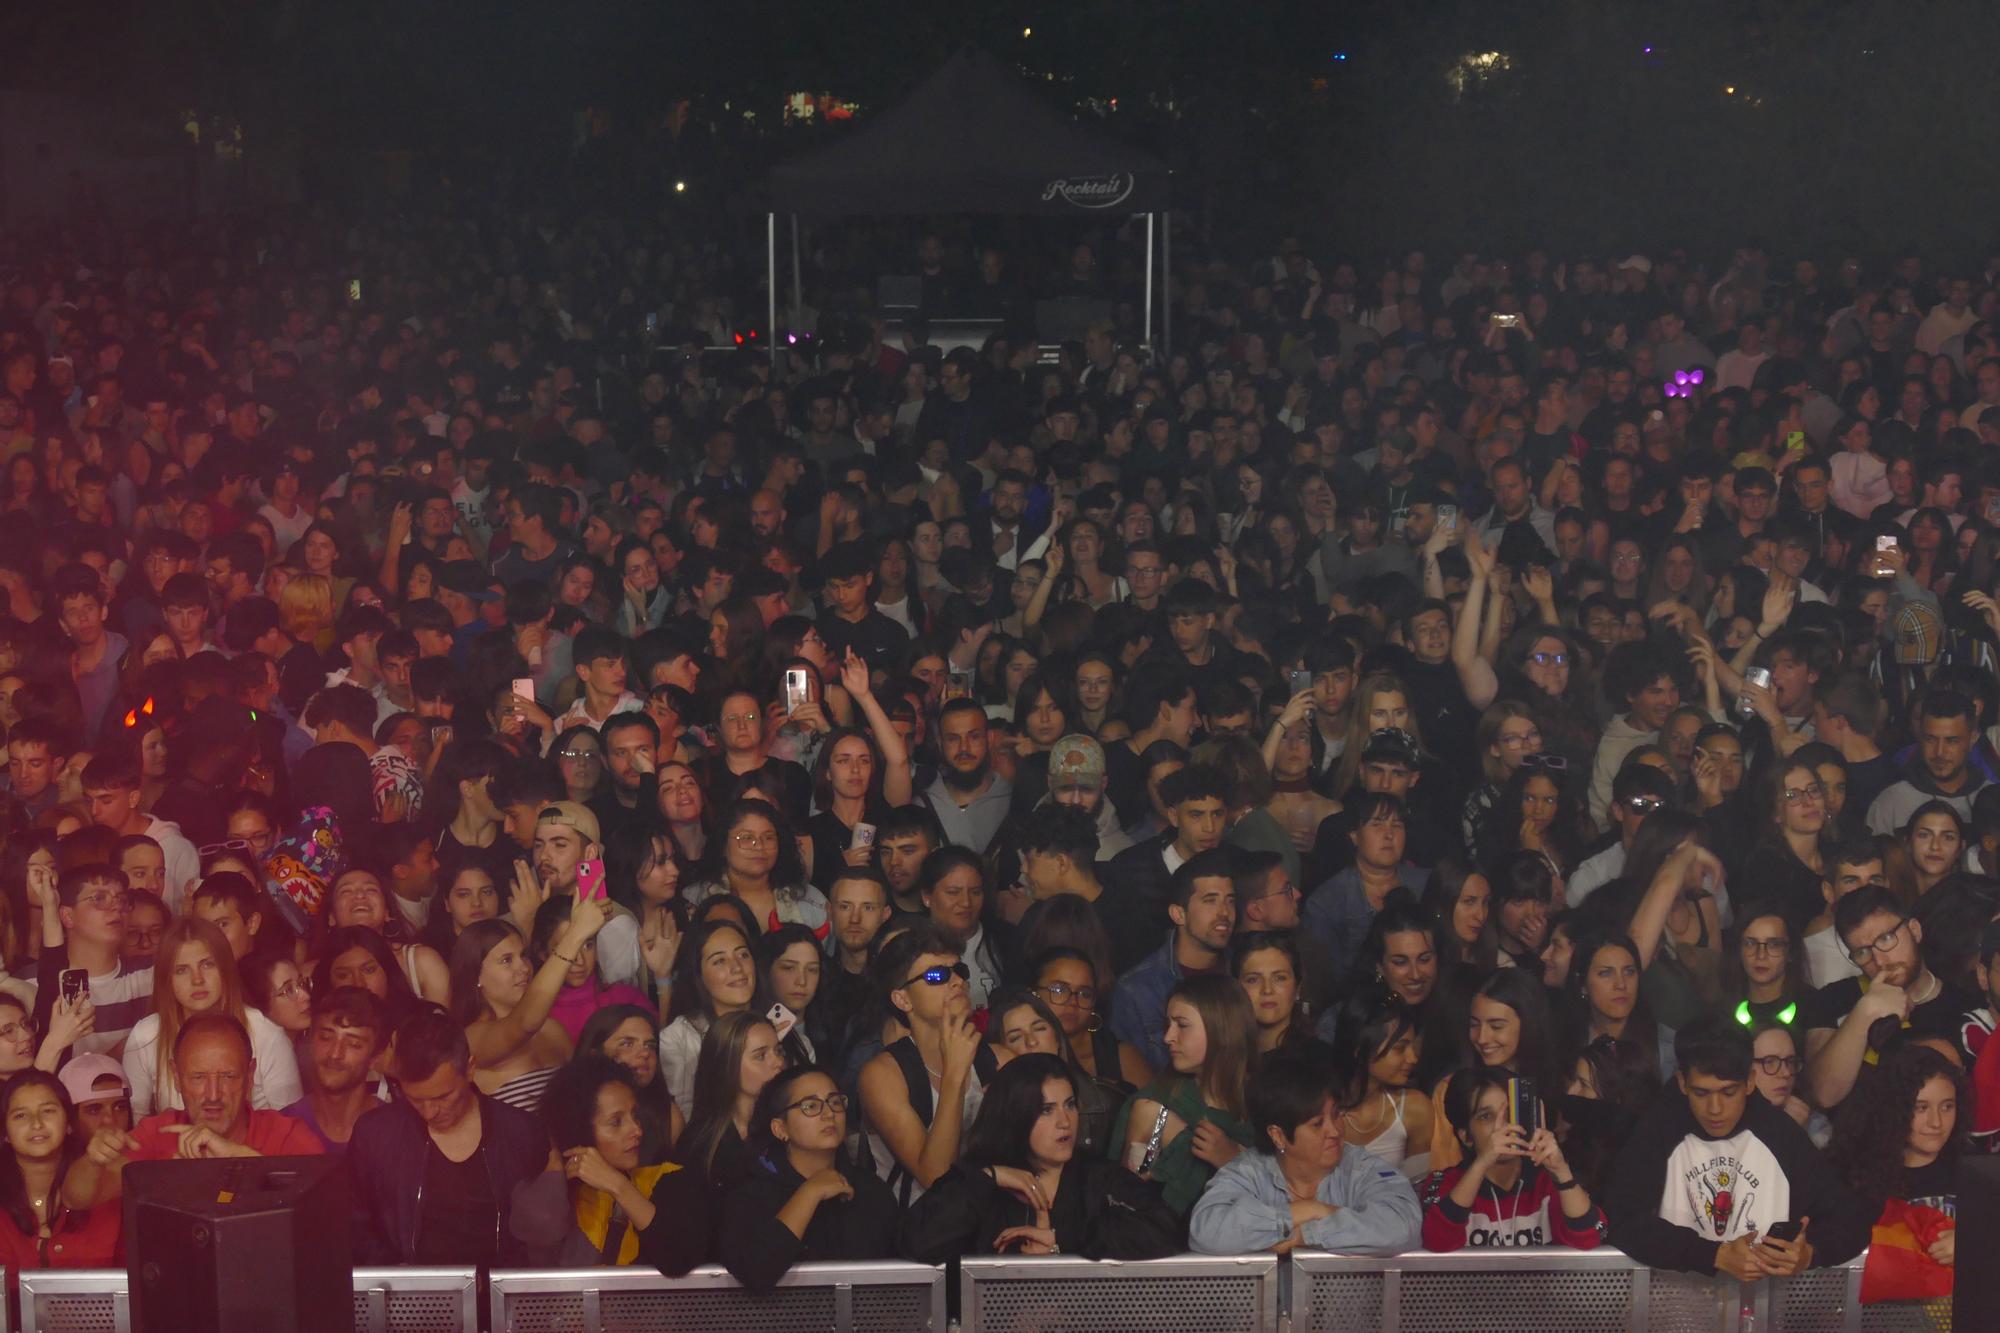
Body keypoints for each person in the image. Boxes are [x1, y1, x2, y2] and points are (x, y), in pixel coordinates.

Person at [1604, 1015, 1873, 1279]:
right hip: (1673, 1313)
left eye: (1728, 1092)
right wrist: (1714, 1255)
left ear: (1750, 1082)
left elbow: (1850, 1220)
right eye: (1701, 1093)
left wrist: (1810, 1253)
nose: (1715, 1109)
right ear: (1682, 1082)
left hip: (1764, 1314)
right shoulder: (1658, 1129)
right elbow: (1621, 1220)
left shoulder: (1779, 1133)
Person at [901, 1051, 1181, 1262]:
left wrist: (1063, 1240)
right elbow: (917, 1242)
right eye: (1046, 1110)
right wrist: (989, 1177)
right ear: (1015, 1115)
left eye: (1069, 1105)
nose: (1065, 1121)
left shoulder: (1097, 1175)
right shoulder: (977, 1177)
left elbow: (1165, 1230)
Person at [344, 1007, 560, 1266]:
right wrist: (398, 1278)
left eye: (443, 1097)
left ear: (469, 1069)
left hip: (498, 1293)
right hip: (410, 1296)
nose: (430, 1112)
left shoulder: (521, 1132)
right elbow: (355, 1224)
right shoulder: (375, 1134)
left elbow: (539, 1237)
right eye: (416, 1099)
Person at [65, 1014, 326, 1217]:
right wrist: (93, 1161)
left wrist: (236, 1157)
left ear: (250, 1076)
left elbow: (323, 1210)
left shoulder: (285, 1134)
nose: (213, 1094)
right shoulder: (158, 1135)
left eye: (228, 1076)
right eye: (198, 1077)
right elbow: (76, 1199)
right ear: (176, 1077)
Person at [1189, 1052, 1423, 1255]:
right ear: (1278, 1136)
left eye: (1336, 1114)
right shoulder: (1248, 1170)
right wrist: (1305, 1211)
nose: (1335, 1131)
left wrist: (1308, 1235)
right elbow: (1206, 1231)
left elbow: (1403, 1226)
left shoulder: (1360, 1167)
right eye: (1317, 1124)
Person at [717, 1064, 901, 1289]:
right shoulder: (749, 1195)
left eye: (835, 1102)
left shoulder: (870, 1189)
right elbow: (755, 1271)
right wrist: (810, 1192)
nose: (828, 1114)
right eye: (811, 1106)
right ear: (780, 1128)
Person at [520, 1055, 707, 1270]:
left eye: (635, 1116)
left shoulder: (668, 1180)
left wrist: (617, 1185)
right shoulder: (557, 1190)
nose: (637, 1130)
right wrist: (554, 1164)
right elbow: (538, 1242)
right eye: (616, 1122)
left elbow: (679, 1258)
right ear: (579, 1130)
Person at [857, 923, 995, 1205]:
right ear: (902, 999)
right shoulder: (882, 1075)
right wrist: (954, 1075)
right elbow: (935, 1177)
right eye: (936, 975)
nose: (957, 981)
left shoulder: (996, 1058)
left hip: (985, 1219)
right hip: (913, 1232)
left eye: (960, 971)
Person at [1802, 885, 1972, 1110]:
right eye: (1863, 952)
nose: (1880, 961)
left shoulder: (1964, 1008)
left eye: (1886, 939)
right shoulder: (1833, 999)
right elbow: (1823, 1094)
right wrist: (1865, 1010)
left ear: (1915, 930)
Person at [1111, 974, 1260, 1217]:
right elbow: (1134, 1188)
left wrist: (1234, 1159)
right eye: (1167, 1025)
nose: (1168, 1037)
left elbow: (1286, 1185)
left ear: (1220, 1027)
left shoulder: (1265, 1102)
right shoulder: (1156, 1111)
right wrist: (1160, 1161)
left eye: (1181, 1025)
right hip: (1171, 1239)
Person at [121, 917, 302, 1117]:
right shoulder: (145, 1036)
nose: (197, 980)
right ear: (167, 979)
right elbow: (134, 1123)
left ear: (225, 969)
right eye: (181, 970)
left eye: (207, 965)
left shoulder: (267, 1035)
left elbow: (289, 1125)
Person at [450, 891, 608, 1113]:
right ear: (475, 976)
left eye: (523, 955)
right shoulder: (471, 1039)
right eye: (507, 960)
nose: (523, 967)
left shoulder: (552, 1030)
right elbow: (524, 1024)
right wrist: (576, 934)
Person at [1421, 1066, 1608, 1249]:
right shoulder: (1446, 1183)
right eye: (1486, 1116)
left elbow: (1591, 1238)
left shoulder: (1549, 1183)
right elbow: (1437, 1240)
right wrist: (1483, 1163)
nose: (1502, 1126)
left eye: (1510, 1113)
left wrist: (1561, 1172)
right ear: (1466, 1136)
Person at [1110, 849, 1239, 1071]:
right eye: (1210, 901)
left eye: (1230, 901)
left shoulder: (1243, 972)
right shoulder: (1138, 989)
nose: (1224, 913)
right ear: (1178, 914)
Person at [0, 1071, 122, 1270]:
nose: (36, 1123)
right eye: (20, 1115)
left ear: (68, 1124)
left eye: (48, 1111)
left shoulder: (102, 1188)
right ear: (5, 1132)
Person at [658, 918, 760, 1112]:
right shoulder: (677, 1039)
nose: (737, 967)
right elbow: (684, 1117)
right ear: (699, 976)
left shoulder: (780, 1030)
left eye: (743, 955)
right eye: (720, 961)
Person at [1325, 995, 1433, 1178]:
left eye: (1413, 1048)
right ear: (1359, 1048)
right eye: (1400, 1049)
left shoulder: (1415, 1109)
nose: (1412, 1058)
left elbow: (1417, 1188)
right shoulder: (1318, 1108)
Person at [283, 986, 390, 1153]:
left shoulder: (396, 1132)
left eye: (354, 1044)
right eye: (326, 1038)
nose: (335, 1054)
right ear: (310, 1040)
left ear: (375, 1057)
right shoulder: (282, 1128)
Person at [575, 1002, 683, 1163]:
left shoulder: (668, 1116)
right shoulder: (571, 1110)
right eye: (627, 1044)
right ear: (595, 1054)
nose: (645, 1053)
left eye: (650, 1045)